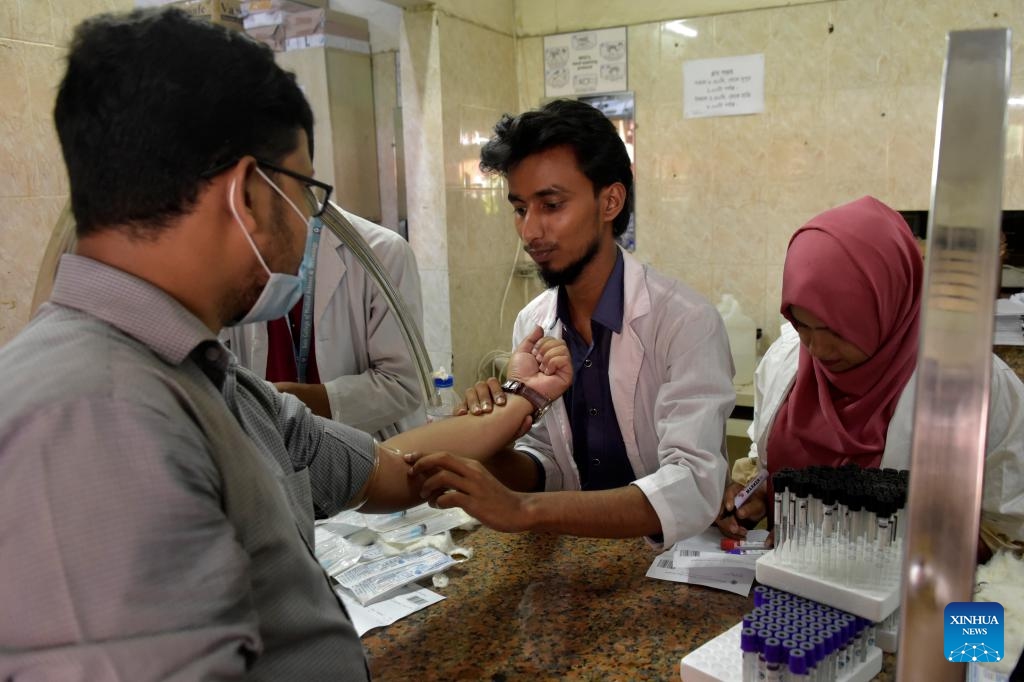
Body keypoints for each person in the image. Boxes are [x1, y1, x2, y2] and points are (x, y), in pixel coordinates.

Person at [0, 9, 570, 679]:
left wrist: (521, 398)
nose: (310, 226)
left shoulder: (208, 380)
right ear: (248, 193)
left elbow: (389, 470)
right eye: (303, 194)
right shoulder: (93, 422)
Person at [409, 99, 736, 547]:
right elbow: (548, 463)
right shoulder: (535, 322)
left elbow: (691, 484)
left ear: (610, 201)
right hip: (574, 565)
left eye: (551, 204)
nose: (530, 232)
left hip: (667, 565)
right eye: (521, 208)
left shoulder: (685, 322)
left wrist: (524, 511)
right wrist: (490, 440)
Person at [715, 196, 1024, 555]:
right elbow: (768, 463)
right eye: (802, 324)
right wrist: (759, 497)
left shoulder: (974, 387)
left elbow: (1007, 532)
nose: (818, 348)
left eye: (838, 330)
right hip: (792, 590)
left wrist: (873, 547)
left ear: (889, 306)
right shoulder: (787, 362)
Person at [223, 208, 426, 441]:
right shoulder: (231, 257)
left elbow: (403, 386)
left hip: (365, 455)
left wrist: (284, 400)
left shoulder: (383, 251)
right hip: (272, 453)